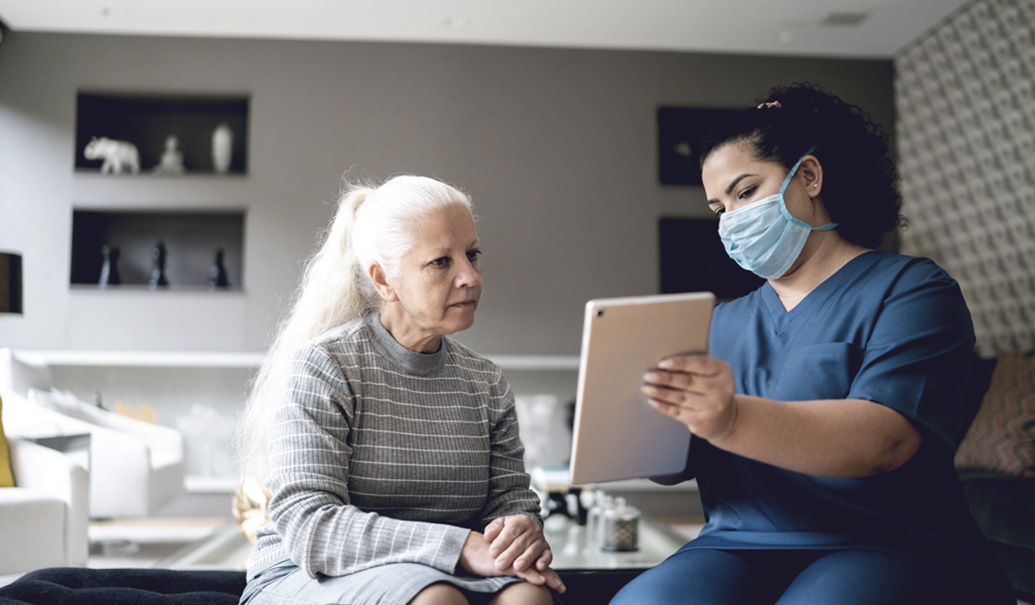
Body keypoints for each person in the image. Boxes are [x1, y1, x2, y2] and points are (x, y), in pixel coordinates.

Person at [610, 83, 1014, 604]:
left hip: (886, 542)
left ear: (809, 176)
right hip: (735, 545)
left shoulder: (912, 290)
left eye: (745, 192)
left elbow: (884, 441)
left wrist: (732, 418)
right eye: (718, 208)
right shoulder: (719, 322)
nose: (731, 219)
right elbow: (679, 466)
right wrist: (637, 438)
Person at [236, 175, 565, 605]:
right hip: (308, 573)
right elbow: (310, 526)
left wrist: (520, 530)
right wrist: (460, 547)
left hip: (438, 570)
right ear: (383, 281)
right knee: (435, 600)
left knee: (529, 599)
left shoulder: (486, 383)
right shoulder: (324, 366)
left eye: (472, 254)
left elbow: (511, 502)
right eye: (441, 262)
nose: (469, 276)